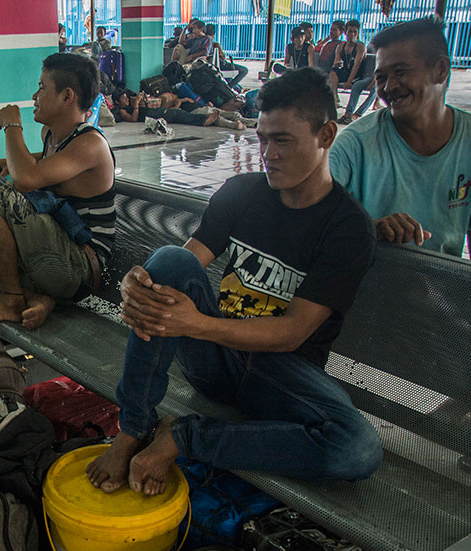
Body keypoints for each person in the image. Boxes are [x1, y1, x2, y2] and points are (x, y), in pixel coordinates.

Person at [86, 67, 381, 497]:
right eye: (262, 138)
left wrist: (195, 325)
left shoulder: (348, 228)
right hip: (215, 360)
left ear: (326, 135)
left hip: (283, 376)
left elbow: (292, 332)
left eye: (283, 140)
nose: (268, 154)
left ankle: (185, 437)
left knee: (358, 448)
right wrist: (140, 284)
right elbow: (186, 263)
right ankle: (132, 429)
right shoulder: (242, 192)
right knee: (167, 260)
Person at [0, 53, 115, 330]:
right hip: (45, 256)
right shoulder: (51, 136)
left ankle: (10, 298)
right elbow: (41, 168)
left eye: (41, 87)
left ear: (67, 97)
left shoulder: (91, 144)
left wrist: (12, 125)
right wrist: (26, 160)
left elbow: (26, 180)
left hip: (78, 266)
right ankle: (33, 297)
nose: (34, 95)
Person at [330, 17, 471, 264]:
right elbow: (315, 225)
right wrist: (370, 229)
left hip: (440, 292)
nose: (389, 87)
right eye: (381, 78)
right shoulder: (354, 144)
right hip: (366, 291)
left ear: (441, 69)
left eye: (401, 72)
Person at [328, 20, 365, 102]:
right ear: (345, 32)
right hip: (345, 71)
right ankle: (335, 97)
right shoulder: (340, 47)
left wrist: (349, 81)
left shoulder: (360, 47)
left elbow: (356, 65)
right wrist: (337, 65)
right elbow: (336, 63)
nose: (352, 34)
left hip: (356, 75)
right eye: (350, 31)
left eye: (355, 32)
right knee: (332, 72)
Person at [205, 24, 248, 90]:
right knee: (244, 70)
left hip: (211, 66)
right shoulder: (215, 45)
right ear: (213, 34)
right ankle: (229, 87)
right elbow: (223, 57)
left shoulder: (202, 42)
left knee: (232, 81)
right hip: (221, 66)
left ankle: (233, 87)